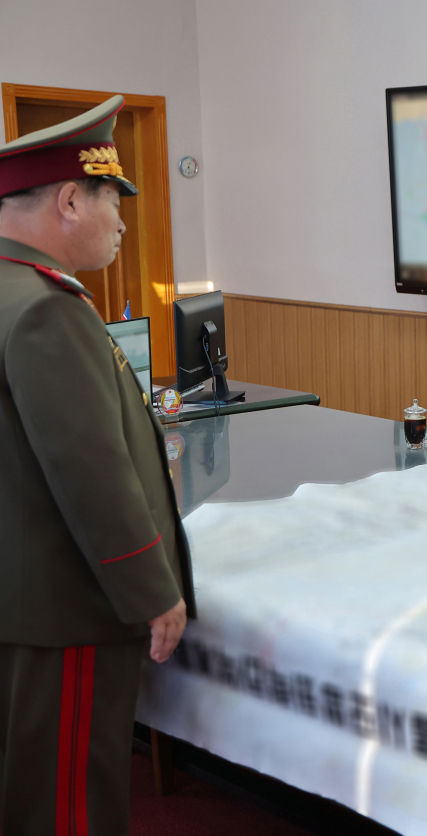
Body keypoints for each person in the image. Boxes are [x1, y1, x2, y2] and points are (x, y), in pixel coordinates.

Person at [0, 96, 195, 834]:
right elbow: (88, 471)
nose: (121, 223)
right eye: (114, 201)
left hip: (19, 598)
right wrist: (152, 587)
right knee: (69, 802)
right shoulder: (48, 308)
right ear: (71, 198)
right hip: (67, 607)